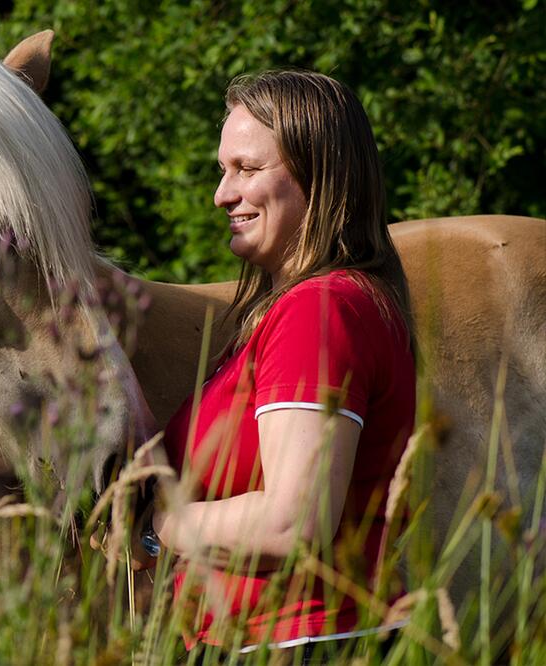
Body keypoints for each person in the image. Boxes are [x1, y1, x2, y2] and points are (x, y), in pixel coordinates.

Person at [142, 70, 417, 657]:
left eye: (246, 168)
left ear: (319, 175)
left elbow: (294, 523)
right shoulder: (301, 310)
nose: (222, 193)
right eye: (223, 170)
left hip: (300, 641)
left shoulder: (318, 311)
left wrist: (157, 527)